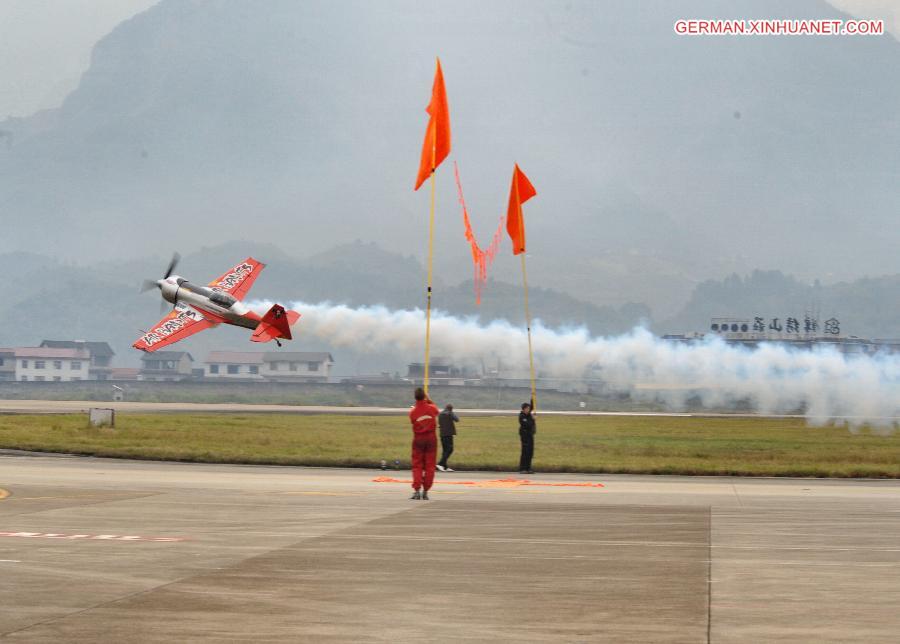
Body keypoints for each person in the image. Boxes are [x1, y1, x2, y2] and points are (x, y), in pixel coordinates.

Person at [408, 387, 439, 500]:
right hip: (431, 439)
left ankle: (417, 490)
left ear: (415, 397)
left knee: (417, 465)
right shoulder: (432, 408)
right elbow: (436, 411)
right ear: (424, 396)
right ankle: (426, 491)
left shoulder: (412, 412)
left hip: (418, 439)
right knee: (430, 465)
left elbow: (412, 420)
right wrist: (429, 400)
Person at [437, 403, 459, 472]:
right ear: (451, 409)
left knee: (445, 451)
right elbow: (457, 419)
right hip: (448, 434)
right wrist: (452, 412)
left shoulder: (440, 414)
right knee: (450, 449)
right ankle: (440, 464)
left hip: (442, 435)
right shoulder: (450, 413)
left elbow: (440, 424)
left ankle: (445, 466)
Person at [518, 402, 536, 474]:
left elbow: (532, 406)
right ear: (524, 409)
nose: (529, 410)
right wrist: (533, 419)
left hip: (530, 435)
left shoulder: (528, 415)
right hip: (525, 436)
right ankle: (523, 469)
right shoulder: (522, 416)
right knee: (525, 452)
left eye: (529, 408)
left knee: (530, 452)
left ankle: (528, 468)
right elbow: (527, 425)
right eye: (527, 408)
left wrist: (533, 395)